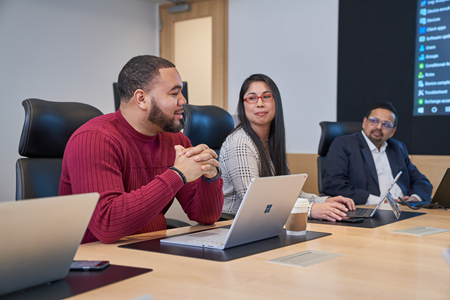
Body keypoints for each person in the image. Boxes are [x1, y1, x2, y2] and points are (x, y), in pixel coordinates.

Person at [59, 55, 224, 244]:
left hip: (151, 249)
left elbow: (205, 216)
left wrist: (210, 178)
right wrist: (177, 175)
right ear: (141, 99)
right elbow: (107, 224)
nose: (183, 101)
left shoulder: (175, 140)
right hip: (98, 260)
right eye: (174, 93)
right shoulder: (93, 139)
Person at [219, 74, 355, 222]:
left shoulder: (270, 141)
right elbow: (255, 201)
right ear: (243, 105)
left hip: (264, 223)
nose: (259, 103)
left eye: (266, 97)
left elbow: (290, 194)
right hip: (232, 225)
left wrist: (324, 201)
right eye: (252, 98)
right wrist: (310, 209)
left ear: (276, 101)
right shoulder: (240, 143)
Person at [322, 101, 432, 205]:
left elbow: (422, 181)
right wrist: (379, 202)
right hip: (369, 212)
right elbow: (333, 184)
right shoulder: (344, 144)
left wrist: (414, 198)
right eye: (374, 121)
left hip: (404, 210)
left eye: (386, 124)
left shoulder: (398, 148)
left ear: (392, 132)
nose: (379, 127)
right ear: (365, 122)